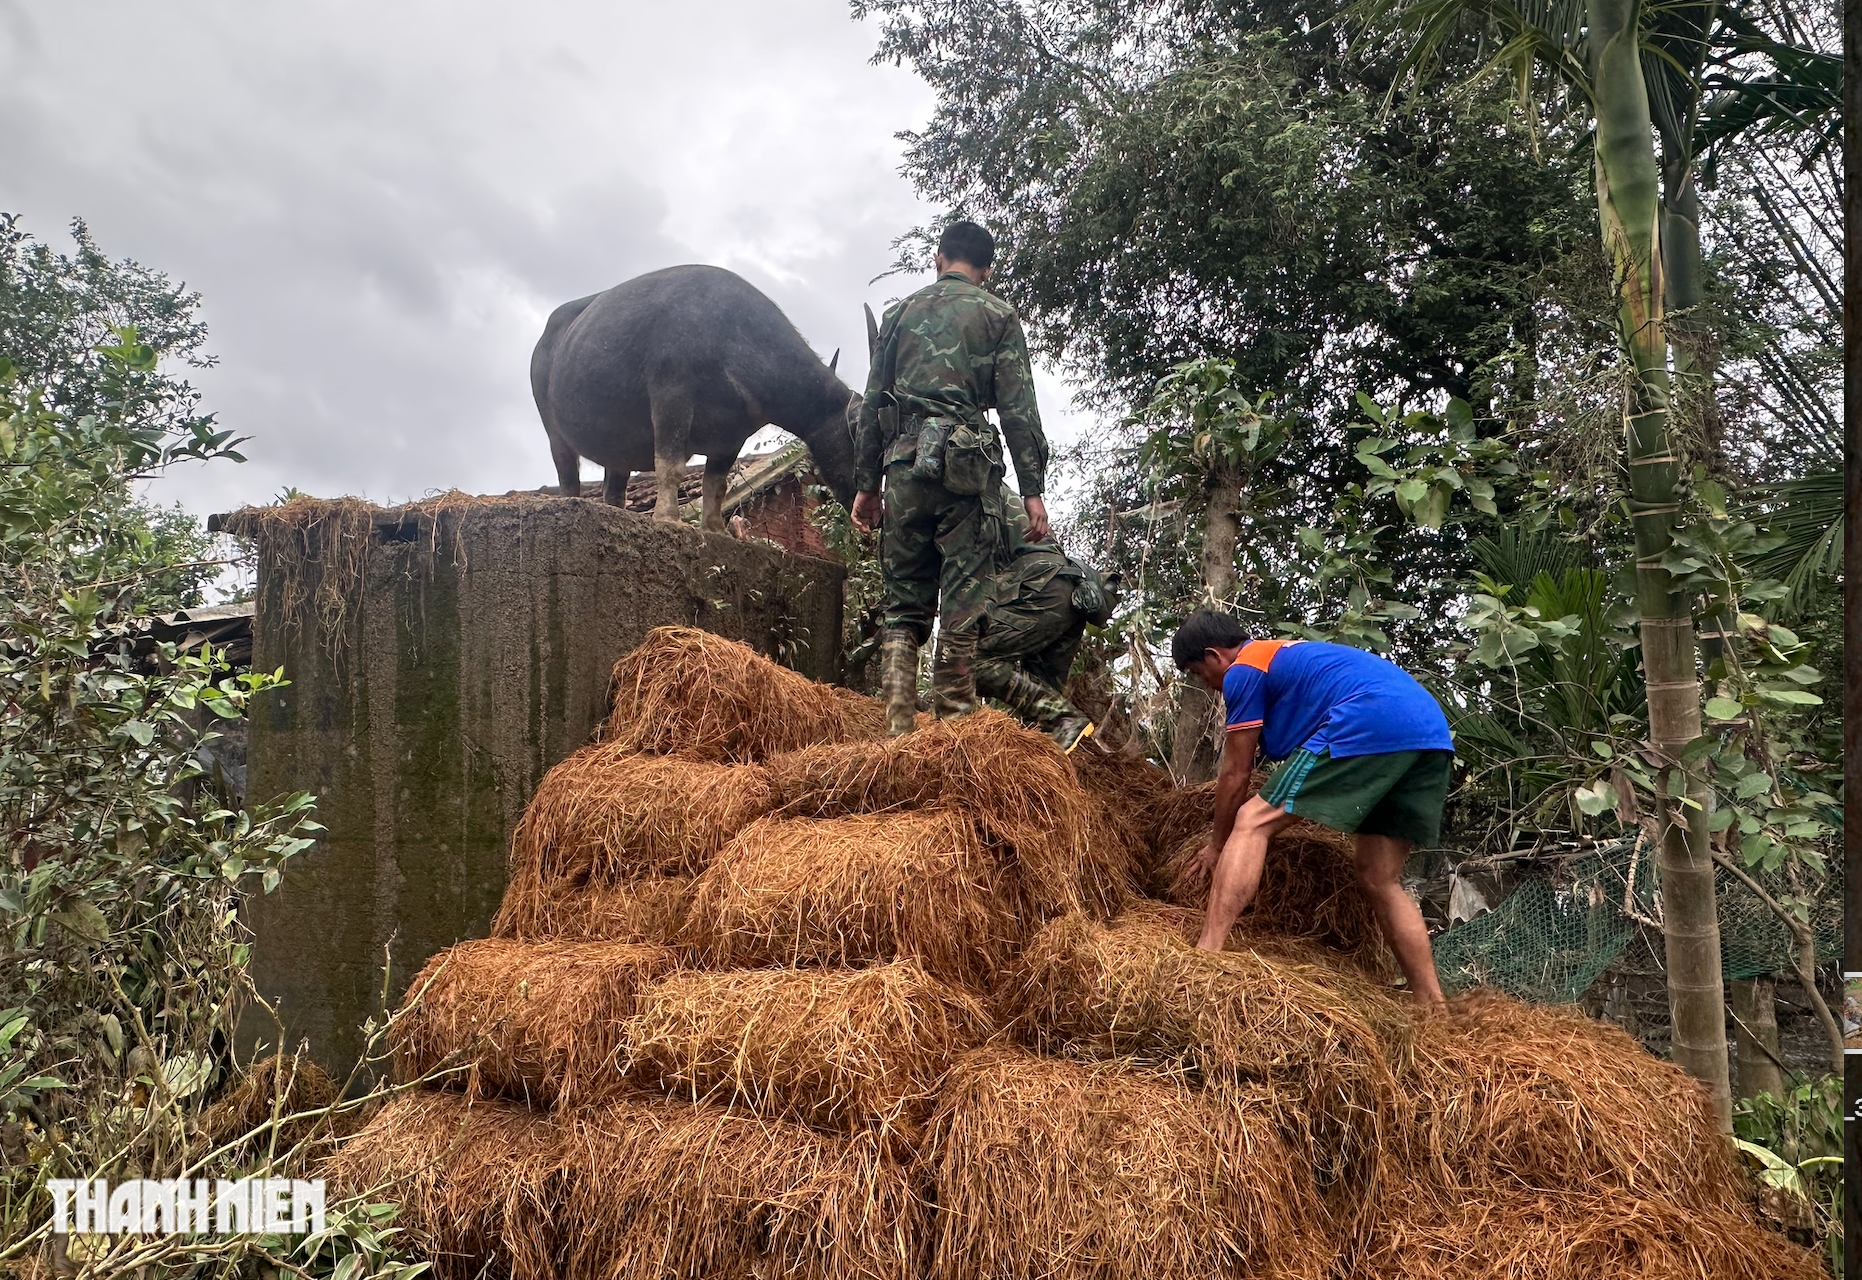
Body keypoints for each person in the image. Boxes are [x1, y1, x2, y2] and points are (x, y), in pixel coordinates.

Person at [1171, 609, 1453, 1008]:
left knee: (1252, 821)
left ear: (1216, 657)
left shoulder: (1245, 667)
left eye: (1201, 674)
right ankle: (1432, 1002)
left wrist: (1217, 845)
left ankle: (1207, 953)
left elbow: (1236, 773)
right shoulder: (1290, 656)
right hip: (1429, 736)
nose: (1210, 686)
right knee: (1379, 877)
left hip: (1368, 721)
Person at [850, 221, 1051, 735]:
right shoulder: (998, 316)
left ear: (938, 259)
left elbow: (872, 406)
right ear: (986, 271)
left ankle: (897, 733)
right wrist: (1032, 492)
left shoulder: (899, 315)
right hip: (965, 476)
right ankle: (955, 735)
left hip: (903, 468)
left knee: (903, 609)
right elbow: (1019, 411)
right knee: (962, 608)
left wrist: (866, 485)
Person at [974, 490, 1116, 752]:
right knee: (1037, 722)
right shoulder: (993, 487)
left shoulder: (970, 487)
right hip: (1071, 591)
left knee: (970, 663)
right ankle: (1043, 767)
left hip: (1039, 588)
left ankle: (1065, 718)